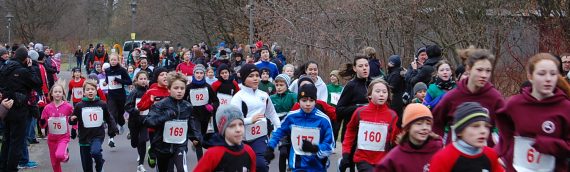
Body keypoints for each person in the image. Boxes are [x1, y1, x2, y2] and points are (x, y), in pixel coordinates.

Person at [496, 53, 570, 172]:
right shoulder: (515, 103)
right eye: (541, 73)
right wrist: (506, 150)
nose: (548, 79)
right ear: (530, 76)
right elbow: (502, 122)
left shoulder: (565, 107)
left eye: (553, 74)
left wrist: (548, 144)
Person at [432, 46, 504, 146]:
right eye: (479, 70)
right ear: (468, 69)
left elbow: (508, 127)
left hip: (484, 155)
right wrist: (438, 147)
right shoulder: (452, 97)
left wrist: (501, 152)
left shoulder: (494, 97)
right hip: (455, 156)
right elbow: (436, 124)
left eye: (488, 71)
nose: (484, 75)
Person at [265, 83, 335, 172]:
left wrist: (316, 148)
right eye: (304, 100)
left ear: (315, 101)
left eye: (311, 100)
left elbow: (330, 145)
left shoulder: (323, 119)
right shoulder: (292, 116)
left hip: (317, 166)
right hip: (297, 165)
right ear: (299, 101)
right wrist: (270, 146)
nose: (308, 104)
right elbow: (280, 131)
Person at [142, 72, 201, 172]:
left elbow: (191, 125)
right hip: (162, 147)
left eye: (182, 88)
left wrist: (196, 138)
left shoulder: (188, 106)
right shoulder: (160, 105)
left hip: (180, 146)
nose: (179, 91)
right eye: (176, 88)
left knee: (182, 169)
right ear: (169, 89)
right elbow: (148, 121)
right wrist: (165, 116)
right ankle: (151, 151)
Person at [339, 79, 400, 171]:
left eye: (384, 92)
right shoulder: (360, 112)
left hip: (383, 160)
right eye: (377, 91)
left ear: (388, 95)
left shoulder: (392, 115)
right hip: (362, 159)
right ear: (370, 95)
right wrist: (346, 153)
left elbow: (396, 139)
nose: (381, 94)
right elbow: (350, 131)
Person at [230, 64, 281, 172]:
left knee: (261, 165)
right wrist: (250, 120)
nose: (255, 78)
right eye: (251, 76)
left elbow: (272, 113)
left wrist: (280, 128)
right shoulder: (238, 97)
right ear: (244, 78)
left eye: (257, 75)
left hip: (260, 136)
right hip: (241, 137)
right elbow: (232, 120)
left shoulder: (264, 95)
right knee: (242, 168)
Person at [429, 102, 504, 172]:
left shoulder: (491, 155)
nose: (483, 131)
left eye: (486, 126)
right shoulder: (443, 159)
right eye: (475, 126)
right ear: (460, 131)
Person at [0, 47, 42, 172]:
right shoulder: (23, 71)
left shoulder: (4, 68)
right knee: (16, 141)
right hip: (19, 107)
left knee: (7, 138)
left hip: (5, 106)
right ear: (25, 59)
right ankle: (11, 168)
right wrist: (30, 68)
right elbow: (37, 83)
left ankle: (3, 166)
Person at [69, 79, 119, 172]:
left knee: (96, 152)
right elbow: (73, 119)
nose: (90, 91)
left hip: (97, 135)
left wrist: (114, 128)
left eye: (92, 89)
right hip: (84, 136)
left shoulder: (102, 104)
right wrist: (72, 119)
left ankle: (99, 164)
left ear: (96, 91)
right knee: (87, 166)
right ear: (83, 92)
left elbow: (109, 117)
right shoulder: (79, 105)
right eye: (88, 90)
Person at [376, 103, 442, 171]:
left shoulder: (439, 149)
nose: (424, 127)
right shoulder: (394, 158)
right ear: (407, 128)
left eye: (428, 124)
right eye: (419, 124)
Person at [194, 105, 256, 171]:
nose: (238, 129)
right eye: (232, 126)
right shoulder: (212, 154)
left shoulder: (249, 151)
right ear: (222, 129)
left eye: (241, 124)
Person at [136, 67, 170, 168]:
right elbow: (140, 107)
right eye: (162, 74)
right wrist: (150, 101)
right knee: (158, 151)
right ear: (156, 77)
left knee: (166, 152)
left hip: (168, 126)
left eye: (166, 74)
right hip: (154, 126)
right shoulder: (151, 91)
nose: (165, 76)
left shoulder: (171, 90)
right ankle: (152, 152)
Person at [185, 64, 219, 160]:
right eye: (197, 73)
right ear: (194, 74)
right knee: (199, 138)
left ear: (204, 74)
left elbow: (216, 101)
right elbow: (183, 101)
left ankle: (197, 142)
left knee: (202, 137)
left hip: (205, 117)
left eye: (201, 73)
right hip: (193, 116)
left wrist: (212, 106)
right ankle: (200, 163)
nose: (199, 75)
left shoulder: (208, 87)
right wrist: (188, 106)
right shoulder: (189, 87)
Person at [39, 82, 73, 172]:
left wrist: (75, 127)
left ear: (63, 94)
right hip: (52, 138)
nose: (57, 93)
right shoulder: (47, 108)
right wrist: (42, 126)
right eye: (55, 92)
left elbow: (74, 117)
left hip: (63, 137)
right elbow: (43, 120)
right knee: (54, 163)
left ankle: (66, 155)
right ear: (52, 94)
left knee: (60, 155)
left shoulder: (68, 106)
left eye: (59, 92)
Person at [103, 54, 132, 147]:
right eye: (111, 60)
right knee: (112, 114)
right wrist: (105, 82)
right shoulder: (107, 70)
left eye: (115, 60)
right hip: (111, 96)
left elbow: (129, 81)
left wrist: (119, 81)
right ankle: (111, 138)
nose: (113, 61)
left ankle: (121, 123)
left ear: (117, 60)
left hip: (121, 96)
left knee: (120, 114)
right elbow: (108, 79)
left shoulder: (122, 70)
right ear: (109, 60)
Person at [269, 74, 297, 172]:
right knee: (283, 152)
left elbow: (296, 110)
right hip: (280, 128)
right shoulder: (272, 98)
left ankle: (291, 167)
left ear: (287, 85)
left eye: (281, 85)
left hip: (292, 127)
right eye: (277, 85)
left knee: (290, 151)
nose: (279, 87)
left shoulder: (293, 96)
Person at [124, 71, 150, 172]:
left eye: (145, 79)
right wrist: (135, 110)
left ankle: (140, 165)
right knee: (135, 143)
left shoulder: (149, 92)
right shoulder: (134, 92)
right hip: (134, 121)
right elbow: (127, 106)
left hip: (145, 121)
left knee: (142, 141)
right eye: (141, 79)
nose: (143, 81)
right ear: (137, 80)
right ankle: (132, 135)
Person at [386, 55, 405, 121]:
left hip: (396, 98)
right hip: (395, 97)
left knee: (395, 116)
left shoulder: (396, 74)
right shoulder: (393, 72)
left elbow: (392, 87)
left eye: (390, 63)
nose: (388, 64)